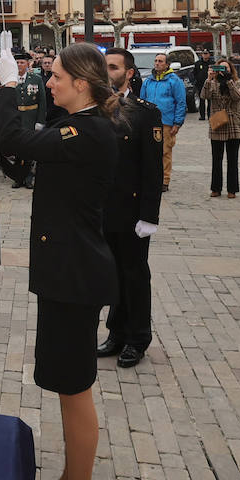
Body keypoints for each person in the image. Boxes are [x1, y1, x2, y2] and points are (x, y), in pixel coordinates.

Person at [0, 42, 119, 480]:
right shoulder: (81, 126)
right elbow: (26, 154)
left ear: (81, 84)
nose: (49, 84)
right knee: (67, 384)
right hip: (68, 269)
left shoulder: (87, 130)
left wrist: (4, 89)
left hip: (76, 273)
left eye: (56, 77)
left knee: (75, 387)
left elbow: (19, 139)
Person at [97, 48, 162, 368]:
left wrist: (150, 216)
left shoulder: (145, 112)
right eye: (104, 66)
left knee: (135, 276)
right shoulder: (95, 108)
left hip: (132, 211)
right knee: (111, 275)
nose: (107, 71)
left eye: (113, 67)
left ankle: (138, 338)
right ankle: (116, 332)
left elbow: (153, 169)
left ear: (129, 73)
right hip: (103, 210)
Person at [138, 52, 186, 192]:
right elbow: (142, 100)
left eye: (160, 61)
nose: (157, 63)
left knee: (165, 152)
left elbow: (181, 102)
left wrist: (177, 123)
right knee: (149, 152)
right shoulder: (148, 81)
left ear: (167, 64)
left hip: (166, 122)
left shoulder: (174, 81)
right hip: (149, 122)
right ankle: (151, 178)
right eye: (156, 61)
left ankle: (164, 180)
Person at [201, 58, 240, 198]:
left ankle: (232, 189)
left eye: (227, 68)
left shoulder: (236, 82)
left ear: (231, 69)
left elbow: (237, 96)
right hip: (218, 122)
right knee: (216, 159)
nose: (224, 71)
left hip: (232, 123)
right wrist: (209, 78)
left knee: (233, 159)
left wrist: (229, 81)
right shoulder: (212, 83)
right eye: (221, 68)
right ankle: (216, 188)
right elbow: (204, 96)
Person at [10, 50, 47, 189]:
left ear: (28, 64)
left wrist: (40, 121)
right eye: (17, 62)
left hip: (31, 118)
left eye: (22, 62)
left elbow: (42, 101)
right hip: (17, 119)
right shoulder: (11, 79)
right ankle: (18, 177)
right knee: (18, 150)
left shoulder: (35, 79)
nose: (19, 65)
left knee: (30, 150)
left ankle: (29, 177)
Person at [191, 49, 212, 120]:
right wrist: (196, 81)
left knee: (210, 101)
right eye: (204, 54)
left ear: (209, 54)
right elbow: (194, 73)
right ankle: (202, 116)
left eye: (206, 53)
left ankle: (210, 115)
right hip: (200, 85)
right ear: (202, 55)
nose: (205, 55)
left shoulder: (213, 63)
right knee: (201, 101)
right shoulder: (197, 63)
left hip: (210, 85)